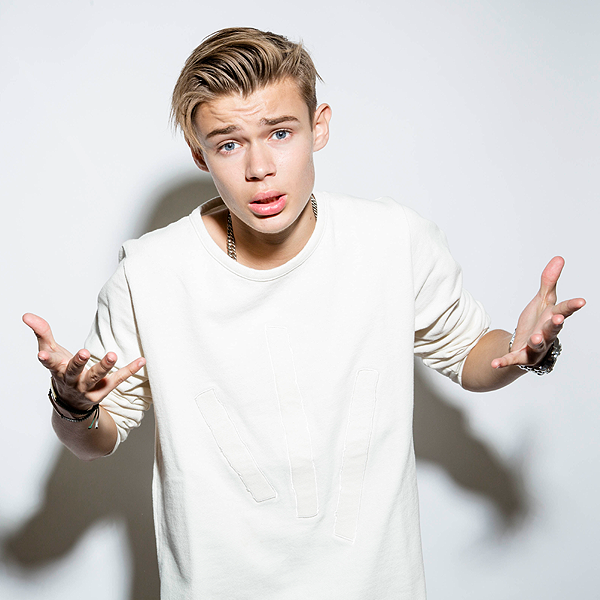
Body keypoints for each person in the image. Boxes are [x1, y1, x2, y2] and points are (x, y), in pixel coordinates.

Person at [23, 27, 585, 599]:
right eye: (228, 144)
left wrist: (521, 353)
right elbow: (95, 438)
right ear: (199, 155)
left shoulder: (392, 241)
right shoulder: (149, 275)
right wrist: (74, 407)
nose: (260, 167)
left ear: (319, 127)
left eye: (280, 132)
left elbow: (469, 356)